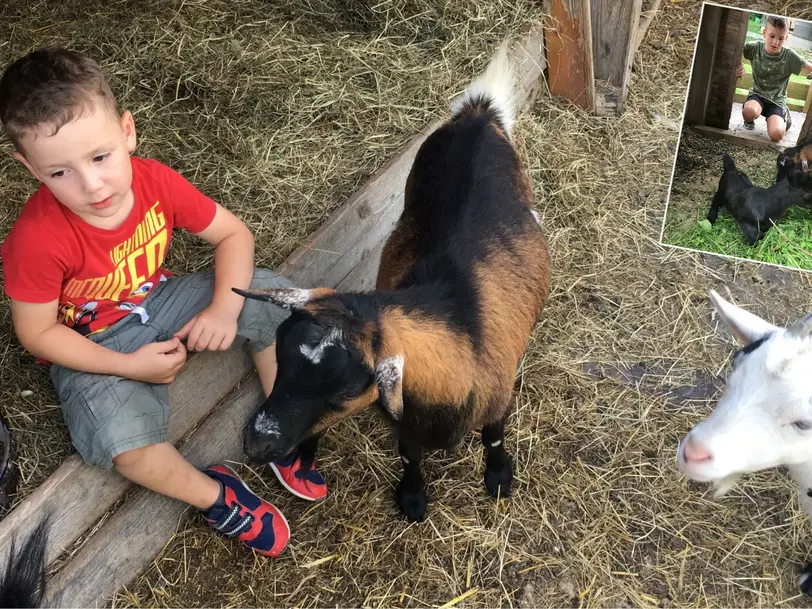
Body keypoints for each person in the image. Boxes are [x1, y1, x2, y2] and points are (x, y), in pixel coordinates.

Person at [0, 47, 327, 558]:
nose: (92, 185)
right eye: (59, 173)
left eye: (101, 156)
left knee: (271, 300)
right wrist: (128, 366)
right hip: (93, 344)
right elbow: (37, 334)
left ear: (127, 131)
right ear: (28, 167)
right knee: (122, 447)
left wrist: (222, 309)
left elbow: (233, 235)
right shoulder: (35, 240)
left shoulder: (154, 180)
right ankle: (217, 496)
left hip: (162, 301)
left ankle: (279, 425)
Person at [736, 14, 812, 142]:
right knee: (748, 111)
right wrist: (738, 65)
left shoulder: (789, 56)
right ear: (764, 33)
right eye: (772, 36)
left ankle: (784, 117)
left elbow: (808, 66)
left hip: (776, 101)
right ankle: (749, 120)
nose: (776, 42)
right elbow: (734, 50)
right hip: (757, 95)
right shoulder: (755, 48)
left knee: (776, 135)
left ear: (786, 38)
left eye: (781, 38)